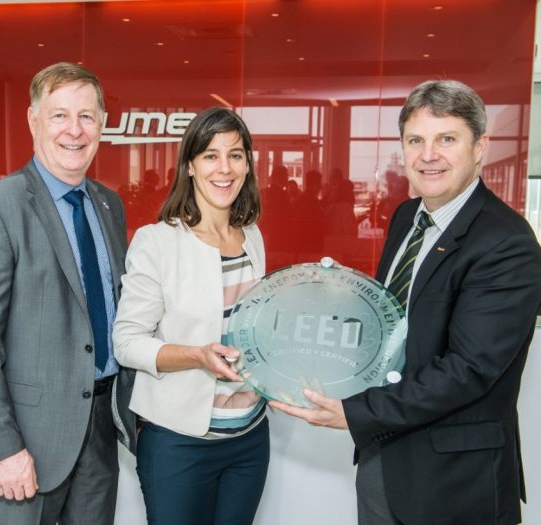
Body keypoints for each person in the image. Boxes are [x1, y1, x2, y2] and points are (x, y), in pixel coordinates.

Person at [271, 80, 541, 525]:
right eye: (416, 140)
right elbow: (393, 323)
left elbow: (467, 370)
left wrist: (356, 412)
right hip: (384, 458)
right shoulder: (406, 218)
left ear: (480, 147)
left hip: (454, 482)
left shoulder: (506, 243)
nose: (428, 155)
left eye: (447, 139)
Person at [0, 62, 137, 525]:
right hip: (26, 440)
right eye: (59, 116)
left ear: (102, 125)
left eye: (87, 116)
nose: (74, 130)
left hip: (100, 426)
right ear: (33, 120)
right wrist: (1, 447)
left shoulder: (109, 204)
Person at [113, 107, 269, 525]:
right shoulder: (157, 242)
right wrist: (197, 356)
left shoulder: (251, 235)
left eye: (236, 155)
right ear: (190, 166)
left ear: (248, 164)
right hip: (179, 443)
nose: (225, 168)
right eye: (210, 155)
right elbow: (127, 343)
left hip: (249, 437)